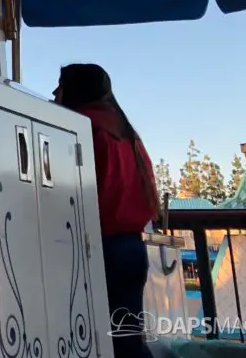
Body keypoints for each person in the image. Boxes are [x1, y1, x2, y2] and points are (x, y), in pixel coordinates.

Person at [54, 63, 159, 358]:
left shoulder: (80, 128)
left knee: (94, 340)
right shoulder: (127, 133)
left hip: (98, 250)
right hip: (131, 248)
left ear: (74, 90)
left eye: (60, 84)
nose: (54, 92)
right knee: (127, 338)